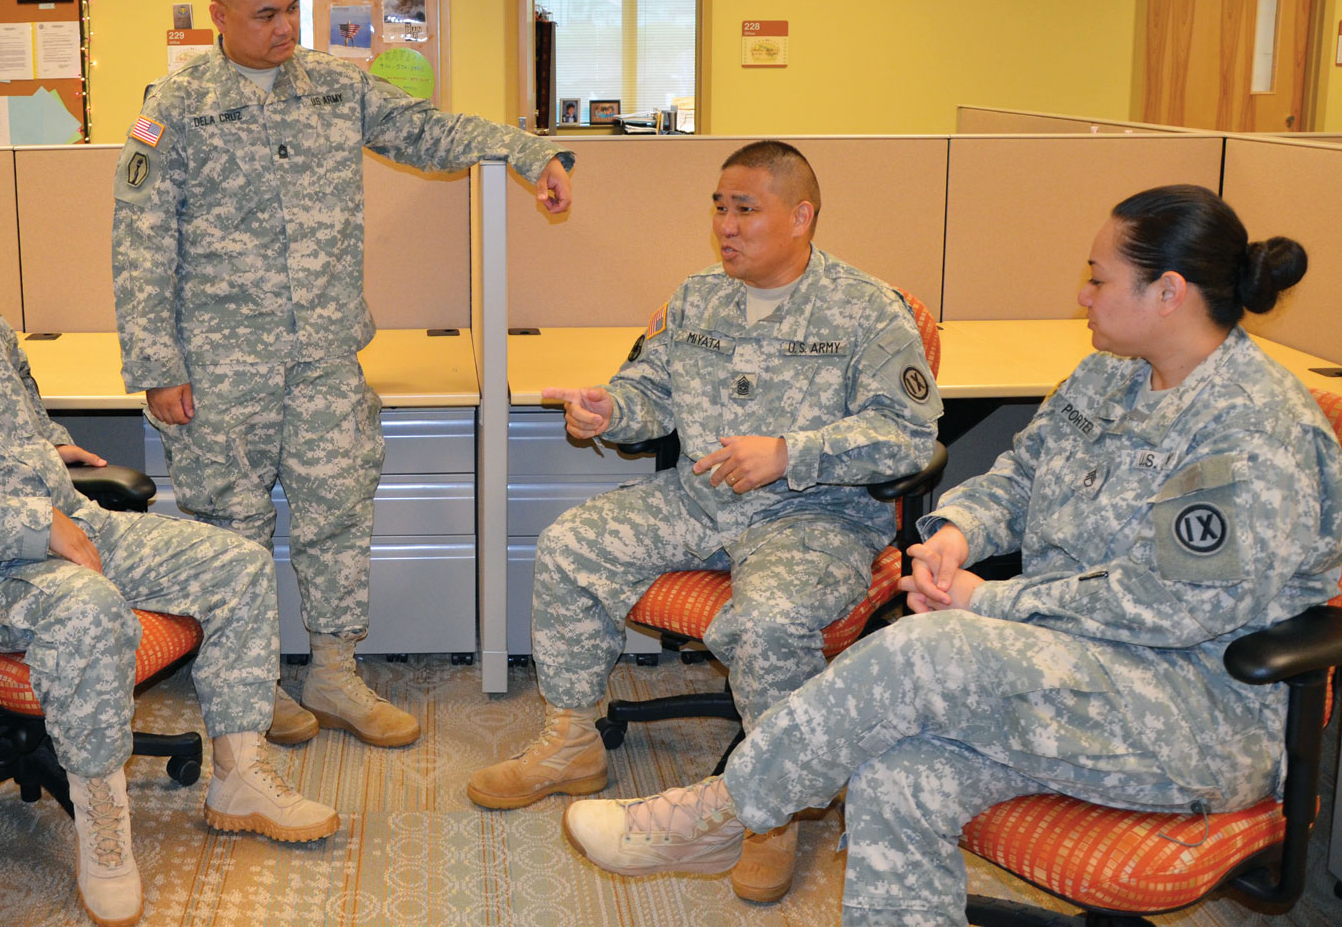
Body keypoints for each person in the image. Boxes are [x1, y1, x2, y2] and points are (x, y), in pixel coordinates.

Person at [562, 185, 1342, 927]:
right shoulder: (1111, 374)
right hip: (1063, 676)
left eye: (1099, 278)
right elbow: (1022, 473)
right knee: (894, 774)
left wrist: (986, 601)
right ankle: (735, 812)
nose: (1082, 296)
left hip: (1187, 716)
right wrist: (955, 532)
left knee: (928, 649)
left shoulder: (1250, 429)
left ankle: (720, 812)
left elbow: (1170, 606)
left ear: (1166, 292)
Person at [111, 0, 575, 749]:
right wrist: (155, 366)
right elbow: (139, 240)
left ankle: (331, 673)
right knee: (232, 533)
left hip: (324, 360)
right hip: (220, 370)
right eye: (265, 15)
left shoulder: (334, 87)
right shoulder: (173, 109)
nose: (285, 29)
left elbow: (430, 136)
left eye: (293, 9)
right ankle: (251, 690)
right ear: (218, 14)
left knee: (336, 518)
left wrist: (525, 151)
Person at [468, 139, 940, 900]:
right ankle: (570, 741)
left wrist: (791, 453)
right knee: (567, 547)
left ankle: (769, 811)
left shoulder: (867, 311)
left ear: (801, 216)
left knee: (771, 616)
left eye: (745, 209)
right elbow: (649, 394)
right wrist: (608, 410)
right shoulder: (695, 300)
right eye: (718, 207)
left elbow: (908, 435)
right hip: (701, 499)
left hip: (811, 518)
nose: (725, 224)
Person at [0, 218, 338, 927]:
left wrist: (55, 447)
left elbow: (24, 405)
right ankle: (103, 830)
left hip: (74, 523)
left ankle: (239, 783)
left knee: (240, 565)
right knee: (87, 608)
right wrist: (35, 525)